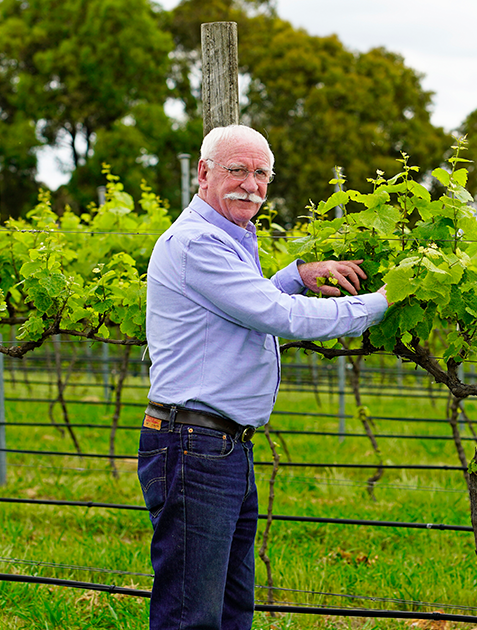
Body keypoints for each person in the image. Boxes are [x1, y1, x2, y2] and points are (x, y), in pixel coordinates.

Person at [137, 124, 388, 630]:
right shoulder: (196, 243)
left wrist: (297, 274)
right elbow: (276, 316)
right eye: (237, 170)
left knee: (231, 612)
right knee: (193, 616)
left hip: (219, 446)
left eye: (261, 174)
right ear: (204, 173)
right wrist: (381, 304)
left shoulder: (229, 240)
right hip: (195, 446)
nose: (250, 184)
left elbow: (238, 312)